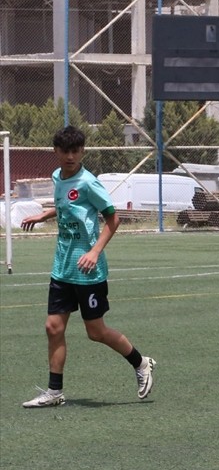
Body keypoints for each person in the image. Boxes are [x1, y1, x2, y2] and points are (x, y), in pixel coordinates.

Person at [20, 126, 155, 408]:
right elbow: (68, 205)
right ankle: (54, 392)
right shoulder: (58, 176)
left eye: (75, 151)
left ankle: (141, 362)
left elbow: (112, 218)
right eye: (65, 151)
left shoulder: (88, 182)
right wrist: (47, 212)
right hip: (63, 267)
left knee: (95, 332)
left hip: (88, 270)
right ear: (55, 152)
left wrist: (94, 251)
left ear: (82, 152)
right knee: (53, 328)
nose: (70, 156)